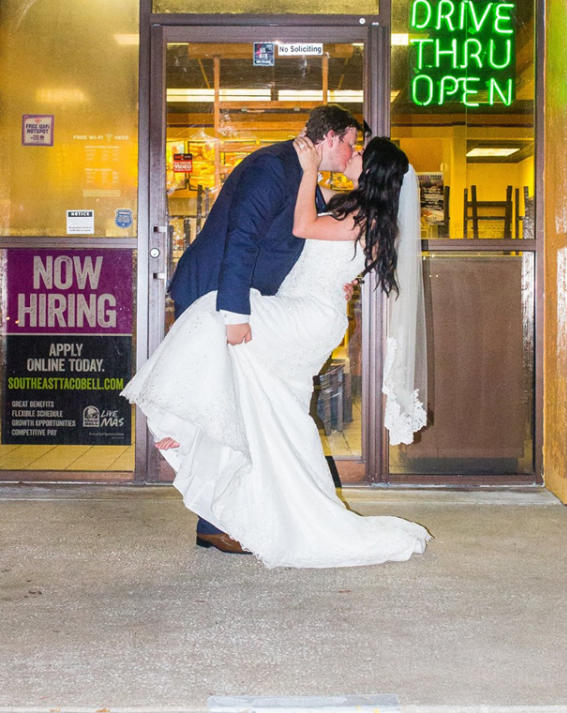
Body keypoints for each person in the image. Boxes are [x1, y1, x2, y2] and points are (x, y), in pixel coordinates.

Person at [123, 134, 430, 569]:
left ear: (375, 170)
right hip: (302, 310)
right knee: (267, 408)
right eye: (352, 146)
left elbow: (303, 226)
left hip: (308, 317)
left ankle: (180, 419)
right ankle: (241, 497)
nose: (354, 154)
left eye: (361, 153)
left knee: (218, 314)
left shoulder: (363, 216)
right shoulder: (355, 209)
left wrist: (307, 171)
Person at [163, 102, 364, 552]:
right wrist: (235, 315)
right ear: (329, 137)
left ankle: (217, 521)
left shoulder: (304, 178)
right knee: (220, 408)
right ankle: (214, 522)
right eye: (350, 142)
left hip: (244, 300)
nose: (352, 153)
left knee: (235, 407)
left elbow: (299, 243)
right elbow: (243, 237)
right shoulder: (272, 167)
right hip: (213, 295)